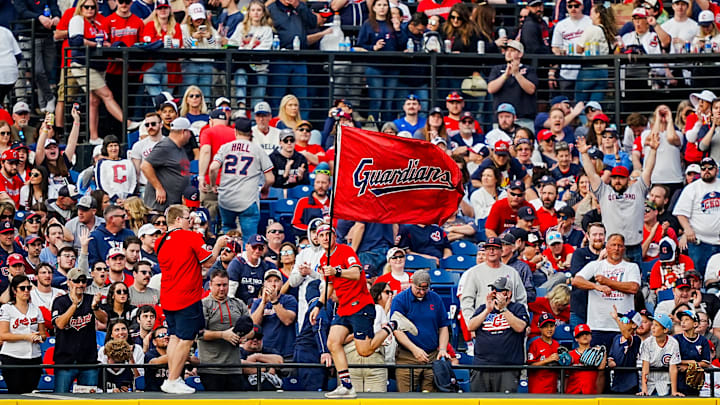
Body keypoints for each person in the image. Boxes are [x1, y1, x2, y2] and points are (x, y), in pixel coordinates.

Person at [308, 224, 397, 398]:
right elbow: (329, 285)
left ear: (335, 237)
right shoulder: (322, 260)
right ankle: (347, 385)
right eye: (322, 235)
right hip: (344, 308)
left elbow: (356, 273)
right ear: (316, 239)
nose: (326, 237)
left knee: (365, 350)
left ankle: (389, 327)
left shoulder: (345, 251)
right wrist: (318, 305)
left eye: (329, 234)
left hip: (361, 305)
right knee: (332, 342)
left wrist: (337, 271)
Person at [155, 204, 223, 394]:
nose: (190, 221)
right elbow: (209, 261)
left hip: (168, 296)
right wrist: (218, 246)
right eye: (187, 218)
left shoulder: (159, 241)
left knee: (175, 337)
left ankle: (173, 377)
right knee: (186, 339)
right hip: (187, 296)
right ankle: (173, 379)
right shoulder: (190, 237)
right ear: (177, 220)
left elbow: (187, 263)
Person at [578, 130, 659, 266]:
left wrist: (653, 150)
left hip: (633, 246)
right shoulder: (604, 191)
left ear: (627, 179)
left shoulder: (638, 189)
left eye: (621, 178)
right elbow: (591, 175)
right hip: (611, 246)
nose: (617, 181)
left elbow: (648, 170)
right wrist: (584, 154)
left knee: (635, 283)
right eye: (614, 178)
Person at [572, 233, 641, 352]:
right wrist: (596, 287)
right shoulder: (595, 265)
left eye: (620, 245)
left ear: (624, 248)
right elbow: (576, 281)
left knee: (620, 365)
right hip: (597, 325)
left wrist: (607, 282)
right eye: (613, 245)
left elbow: (633, 288)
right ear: (607, 247)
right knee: (598, 364)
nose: (616, 248)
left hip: (622, 327)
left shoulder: (631, 267)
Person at [209, 117, 273, 236]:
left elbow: (213, 168)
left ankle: (228, 253)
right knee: (249, 238)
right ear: (251, 132)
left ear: (235, 131)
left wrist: (213, 185)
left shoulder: (225, 147)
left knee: (228, 232)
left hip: (226, 199)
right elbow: (270, 178)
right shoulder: (257, 150)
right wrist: (265, 189)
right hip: (247, 199)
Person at [390, 270, 449, 392]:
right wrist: (414, 349)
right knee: (406, 399)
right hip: (407, 357)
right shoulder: (400, 300)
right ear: (412, 283)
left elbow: (443, 326)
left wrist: (443, 349)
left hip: (432, 355)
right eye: (418, 289)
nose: (422, 292)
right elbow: (397, 329)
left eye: (425, 289)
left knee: (432, 397)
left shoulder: (435, 299)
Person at [468, 276, 529, 393]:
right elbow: (470, 326)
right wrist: (487, 310)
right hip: (482, 366)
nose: (494, 293)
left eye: (499, 290)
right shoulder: (482, 309)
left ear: (509, 293)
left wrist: (503, 309)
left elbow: (520, 327)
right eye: (493, 289)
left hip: (507, 367)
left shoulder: (517, 308)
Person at [51, 268, 107, 393]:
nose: (81, 284)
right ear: (69, 282)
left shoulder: (91, 299)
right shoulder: (60, 301)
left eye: (83, 281)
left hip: (88, 361)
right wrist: (74, 305)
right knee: (61, 399)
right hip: (65, 361)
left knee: (89, 400)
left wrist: (95, 307)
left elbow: (104, 320)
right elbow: (59, 324)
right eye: (77, 281)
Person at [198, 268, 251, 391]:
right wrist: (223, 335)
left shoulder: (238, 303)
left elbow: (251, 327)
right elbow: (198, 333)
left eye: (225, 285)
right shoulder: (203, 305)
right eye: (218, 285)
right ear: (210, 285)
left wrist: (245, 336)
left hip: (234, 367)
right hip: (210, 368)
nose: (222, 288)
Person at [0, 275, 47, 394]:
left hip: (34, 357)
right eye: (22, 288)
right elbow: (3, 335)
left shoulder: (36, 309)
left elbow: (43, 334)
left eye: (28, 288)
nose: (26, 291)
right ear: (14, 290)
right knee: (16, 392)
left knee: (30, 393)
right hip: (12, 357)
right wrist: (26, 337)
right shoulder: (6, 308)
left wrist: (39, 338)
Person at [357, 0, 402, 122]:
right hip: (375, 67)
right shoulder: (368, 24)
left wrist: (398, 30)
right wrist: (373, 48)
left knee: (389, 102)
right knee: (376, 100)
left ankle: (388, 130)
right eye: (379, 5)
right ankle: (374, 129)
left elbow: (403, 45)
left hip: (393, 67)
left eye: (385, 5)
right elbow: (359, 45)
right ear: (374, 8)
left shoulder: (393, 23)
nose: (382, 8)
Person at [673, 157, 720, 274]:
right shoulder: (691, 188)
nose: (707, 171)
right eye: (703, 168)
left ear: (717, 170)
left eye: (710, 168)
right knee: (698, 277)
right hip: (699, 243)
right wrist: (687, 229)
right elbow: (680, 212)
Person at [228, 1, 273, 111]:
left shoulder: (267, 30)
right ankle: (241, 108)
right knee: (240, 74)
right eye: (253, 10)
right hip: (243, 66)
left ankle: (255, 124)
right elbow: (233, 44)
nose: (256, 13)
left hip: (260, 69)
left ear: (263, 13)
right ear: (248, 13)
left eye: (259, 10)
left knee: (257, 103)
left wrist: (246, 51)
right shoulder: (241, 27)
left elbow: (264, 49)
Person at [141, 117, 192, 212]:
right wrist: (158, 188)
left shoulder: (179, 148)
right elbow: (145, 165)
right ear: (183, 132)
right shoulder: (165, 146)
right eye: (189, 133)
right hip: (160, 206)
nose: (190, 136)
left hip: (173, 205)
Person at [487, 40, 538, 125]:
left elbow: (531, 89)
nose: (508, 53)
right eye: (507, 50)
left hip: (523, 118)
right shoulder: (497, 69)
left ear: (520, 54)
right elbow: (491, 89)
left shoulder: (529, 69)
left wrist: (517, 73)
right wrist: (505, 75)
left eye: (512, 50)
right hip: (501, 118)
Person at [549, 0, 592, 96]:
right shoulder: (561, 25)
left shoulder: (590, 22)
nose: (573, 9)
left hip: (586, 69)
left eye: (576, 6)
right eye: (570, 6)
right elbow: (555, 47)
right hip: (567, 72)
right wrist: (560, 53)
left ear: (582, 6)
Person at [638, 313, 684, 396]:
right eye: (653, 324)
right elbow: (645, 367)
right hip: (649, 382)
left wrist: (674, 391)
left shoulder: (673, 343)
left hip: (665, 381)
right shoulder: (647, 342)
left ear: (665, 330)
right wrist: (644, 389)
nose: (653, 327)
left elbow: (673, 368)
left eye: (656, 325)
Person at [674, 310, 711, 396]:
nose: (683, 322)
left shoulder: (703, 340)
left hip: (695, 384)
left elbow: (706, 362)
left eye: (687, 320)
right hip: (678, 381)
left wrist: (689, 367)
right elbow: (672, 359)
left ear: (695, 324)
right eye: (682, 320)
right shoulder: (676, 339)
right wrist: (691, 362)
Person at [564, 323, 606, 394]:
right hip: (573, 392)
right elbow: (565, 376)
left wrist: (604, 354)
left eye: (586, 334)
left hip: (591, 391)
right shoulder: (570, 355)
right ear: (576, 338)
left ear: (591, 336)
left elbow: (601, 373)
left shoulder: (597, 353)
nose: (584, 336)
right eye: (581, 334)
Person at [94, 135, 137, 201]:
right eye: (110, 146)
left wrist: (129, 197)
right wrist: (115, 198)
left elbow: (133, 181)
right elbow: (102, 183)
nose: (113, 148)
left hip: (127, 200)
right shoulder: (102, 164)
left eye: (115, 145)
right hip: (110, 200)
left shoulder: (128, 162)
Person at [527, 313, 560, 394]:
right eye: (545, 326)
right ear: (540, 328)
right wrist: (547, 360)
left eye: (551, 326)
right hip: (537, 387)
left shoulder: (557, 344)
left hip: (552, 386)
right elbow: (530, 366)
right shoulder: (534, 344)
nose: (549, 329)